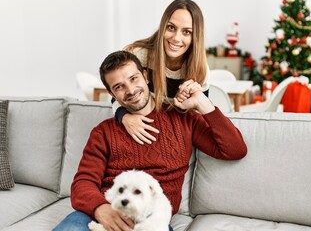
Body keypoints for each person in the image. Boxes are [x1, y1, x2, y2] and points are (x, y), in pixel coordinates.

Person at [53, 51, 247, 231]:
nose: (130, 90)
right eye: (118, 87)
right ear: (112, 95)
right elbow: (83, 182)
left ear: (145, 76)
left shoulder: (183, 119)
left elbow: (235, 149)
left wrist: (203, 104)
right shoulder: (103, 132)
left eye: (133, 78)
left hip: (152, 219)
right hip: (104, 213)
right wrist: (100, 209)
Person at [115, 0, 210, 145]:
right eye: (171, 27)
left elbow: (200, 122)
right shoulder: (139, 55)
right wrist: (124, 117)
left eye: (186, 32)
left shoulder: (200, 69)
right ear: (163, 27)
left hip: (175, 138)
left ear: (195, 37)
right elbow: (118, 94)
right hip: (141, 132)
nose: (176, 38)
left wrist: (190, 104)